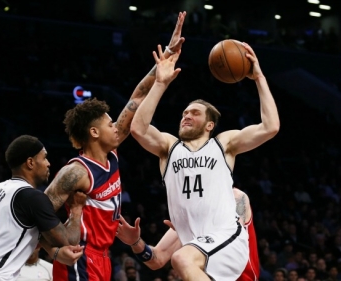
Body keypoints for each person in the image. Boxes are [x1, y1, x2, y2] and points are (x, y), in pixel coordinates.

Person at [44, 11, 188, 281]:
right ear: (94, 132)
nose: (116, 126)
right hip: (80, 257)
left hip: (103, 257)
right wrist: (53, 251)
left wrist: (166, 57)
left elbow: (137, 96)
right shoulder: (77, 172)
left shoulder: (111, 152)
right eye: (110, 123)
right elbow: (36, 211)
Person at [126, 37, 279, 280]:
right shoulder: (169, 147)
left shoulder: (223, 144)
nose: (186, 116)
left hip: (227, 237)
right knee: (182, 258)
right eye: (184, 112)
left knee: (181, 258)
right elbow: (138, 130)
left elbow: (270, 127)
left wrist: (259, 78)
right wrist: (160, 83)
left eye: (194, 113)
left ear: (210, 125)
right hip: (199, 247)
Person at [0, 135, 85, 281]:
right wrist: (76, 209)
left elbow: (18, 236)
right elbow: (69, 240)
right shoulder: (32, 197)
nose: (48, 163)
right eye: (44, 158)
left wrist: (54, 252)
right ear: (30, 162)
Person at [116, 187, 260, 281]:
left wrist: (194, 229)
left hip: (241, 277)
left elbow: (230, 235)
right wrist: (135, 242)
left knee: (181, 258)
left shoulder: (235, 197)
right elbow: (156, 259)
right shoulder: (190, 217)